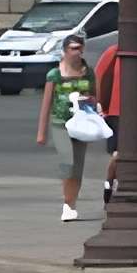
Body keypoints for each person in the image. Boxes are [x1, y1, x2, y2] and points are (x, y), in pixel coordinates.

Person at [36, 35, 100, 224]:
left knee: (78, 167)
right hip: (61, 123)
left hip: (82, 124)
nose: (77, 52)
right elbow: (46, 104)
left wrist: (93, 109)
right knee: (67, 162)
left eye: (80, 48)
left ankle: (72, 204)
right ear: (65, 51)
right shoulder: (55, 74)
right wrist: (41, 132)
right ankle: (66, 202)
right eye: (73, 48)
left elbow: (95, 97)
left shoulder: (88, 73)